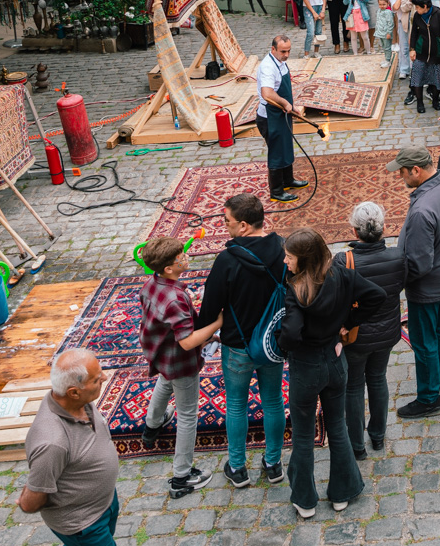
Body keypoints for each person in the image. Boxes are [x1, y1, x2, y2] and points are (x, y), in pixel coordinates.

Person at [278, 228, 385, 518]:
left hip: (306, 367)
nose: (285, 262)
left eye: (289, 258)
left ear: (304, 260)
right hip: (336, 361)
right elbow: (377, 295)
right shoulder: (342, 275)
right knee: (337, 426)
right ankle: (342, 492)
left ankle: (305, 499)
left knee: (302, 435)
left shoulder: (297, 290)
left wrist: (283, 345)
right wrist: (348, 323)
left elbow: (290, 333)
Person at [194, 194, 287, 487]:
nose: (225, 227)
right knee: (273, 401)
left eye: (228, 222)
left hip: (237, 344)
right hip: (272, 341)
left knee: (236, 405)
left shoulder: (227, 260)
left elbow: (210, 306)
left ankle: (237, 468)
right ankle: (273, 464)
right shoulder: (284, 249)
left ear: (244, 226)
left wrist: (200, 334)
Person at [17, 349, 119, 546]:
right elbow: (30, 503)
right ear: (74, 392)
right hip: (84, 525)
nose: (104, 378)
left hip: (104, 503)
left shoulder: (78, 402)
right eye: (96, 378)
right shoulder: (52, 442)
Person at [136, 238, 221, 498]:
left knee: (165, 381)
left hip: (160, 352)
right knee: (186, 415)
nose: (186, 258)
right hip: (180, 360)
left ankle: (152, 425)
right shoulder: (174, 298)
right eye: (181, 257)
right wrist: (218, 324)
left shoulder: (152, 283)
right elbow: (187, 343)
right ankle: (181, 477)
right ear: (170, 268)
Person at [390, 145, 440, 417]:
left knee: (424, 341)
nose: (401, 177)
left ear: (416, 170)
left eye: (402, 172)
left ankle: (428, 398)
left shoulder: (423, 209)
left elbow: (419, 263)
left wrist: (397, 283)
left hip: (428, 286)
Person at [340, 203, 405, 461]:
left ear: (355, 232)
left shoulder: (344, 261)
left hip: (356, 336)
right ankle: (378, 435)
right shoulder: (398, 257)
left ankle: (357, 444)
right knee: (378, 378)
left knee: (353, 386)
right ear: (383, 229)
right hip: (387, 332)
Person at [257, 35, 307, 202]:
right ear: (273, 49)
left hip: (282, 114)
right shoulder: (267, 67)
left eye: (288, 51)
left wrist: (292, 106)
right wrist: (286, 103)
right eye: (283, 51)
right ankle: (277, 191)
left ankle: (288, 180)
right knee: (277, 153)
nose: (286, 55)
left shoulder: (280, 61)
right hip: (270, 117)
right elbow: (267, 93)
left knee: (285, 147)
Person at [408, 0, 440, 114]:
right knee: (417, 79)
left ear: (425, 6)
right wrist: (412, 49)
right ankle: (420, 102)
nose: (416, 9)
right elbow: (414, 33)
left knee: (437, 80)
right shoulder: (417, 16)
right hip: (421, 52)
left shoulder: (439, 14)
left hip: (437, 53)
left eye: (418, 7)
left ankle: (436, 100)